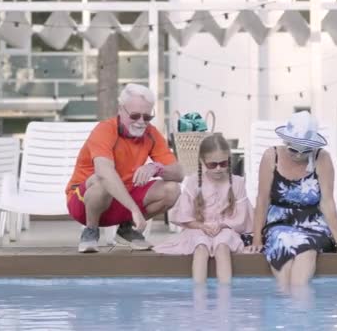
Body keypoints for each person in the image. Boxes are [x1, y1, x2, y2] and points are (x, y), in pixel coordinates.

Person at [245, 111, 337, 286]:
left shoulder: (321, 158)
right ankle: (291, 304)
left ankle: (297, 305)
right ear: (286, 141)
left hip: (313, 224)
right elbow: (262, 199)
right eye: (294, 149)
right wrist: (257, 238)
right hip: (279, 224)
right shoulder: (271, 156)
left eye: (305, 151)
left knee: (307, 249)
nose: (298, 155)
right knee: (282, 243)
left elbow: (327, 202)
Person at [66, 83, 184, 253]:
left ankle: (126, 228)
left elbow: (179, 173)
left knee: (172, 189)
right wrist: (134, 210)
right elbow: (104, 173)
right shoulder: (105, 130)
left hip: (121, 202)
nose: (141, 122)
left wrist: (156, 168)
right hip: (84, 204)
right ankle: (91, 230)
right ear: (121, 110)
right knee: (101, 180)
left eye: (147, 117)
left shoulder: (151, 133)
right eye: (135, 116)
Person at [154, 134, 253, 284]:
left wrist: (222, 225)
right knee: (200, 247)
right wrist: (201, 226)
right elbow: (184, 216)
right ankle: (199, 296)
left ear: (229, 160)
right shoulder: (194, 182)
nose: (219, 168)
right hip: (198, 228)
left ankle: (225, 296)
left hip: (226, 228)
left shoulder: (237, 183)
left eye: (223, 163)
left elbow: (241, 218)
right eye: (212, 165)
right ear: (202, 161)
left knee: (222, 246)